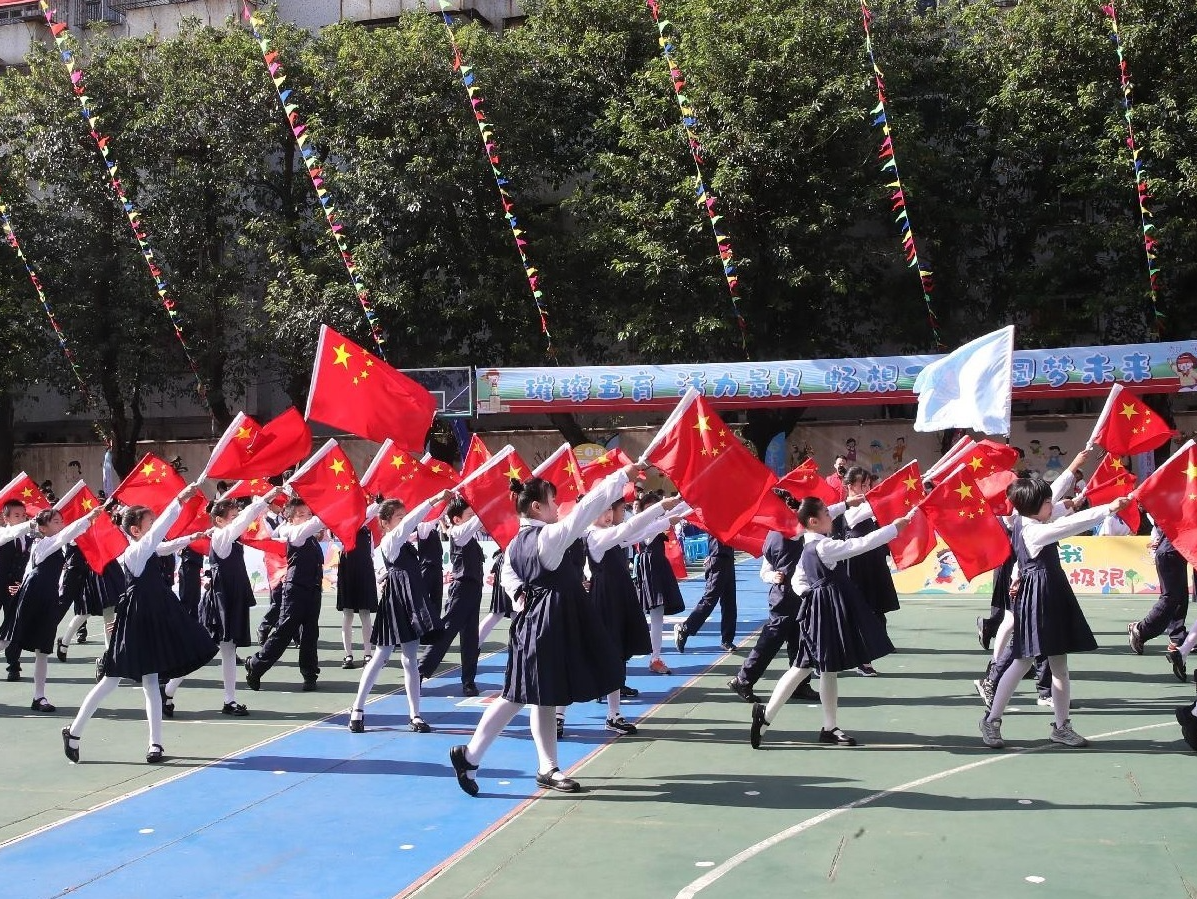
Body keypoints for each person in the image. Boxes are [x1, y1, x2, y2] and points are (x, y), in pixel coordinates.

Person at [449, 464, 636, 797]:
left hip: (539, 624)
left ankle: (546, 767)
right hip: (544, 627)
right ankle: (471, 755)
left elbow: (509, 579)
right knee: (516, 696)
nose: (558, 506)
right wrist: (621, 477)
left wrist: (523, 600)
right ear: (537, 507)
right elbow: (587, 509)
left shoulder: (514, 545)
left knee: (542, 695)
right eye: (553, 500)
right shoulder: (547, 537)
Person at [62, 486, 218, 764]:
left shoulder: (145, 550)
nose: (154, 525)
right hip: (136, 619)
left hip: (151, 616)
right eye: (149, 522)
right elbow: (158, 536)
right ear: (135, 531)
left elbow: (163, 545)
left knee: (150, 680)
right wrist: (179, 500)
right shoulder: (134, 553)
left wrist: (191, 537)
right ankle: (73, 732)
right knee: (111, 680)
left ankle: (155, 744)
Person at [978, 479, 1131, 749]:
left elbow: (1058, 516)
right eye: (1048, 502)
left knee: (1059, 665)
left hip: (1051, 594)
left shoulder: (1027, 521)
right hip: (1038, 598)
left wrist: (1075, 503)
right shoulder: (1034, 530)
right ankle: (991, 720)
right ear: (1033, 507)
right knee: (1022, 661)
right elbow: (1069, 525)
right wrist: (1108, 508)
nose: (1052, 505)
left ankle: (1061, 727)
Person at [750, 497, 912, 749]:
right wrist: (894, 528)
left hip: (821, 611)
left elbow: (798, 581)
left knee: (825, 669)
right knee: (803, 667)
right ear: (813, 521)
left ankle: (829, 726)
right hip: (823, 613)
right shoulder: (823, 546)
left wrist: (811, 594)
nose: (831, 516)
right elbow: (860, 544)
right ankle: (767, 716)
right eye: (826, 513)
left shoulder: (808, 546)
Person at [727, 491, 860, 704]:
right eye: (789, 506)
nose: (794, 510)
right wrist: (845, 504)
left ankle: (800, 685)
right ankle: (743, 679)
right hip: (784, 597)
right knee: (771, 639)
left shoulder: (777, 533)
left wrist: (845, 504)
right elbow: (766, 569)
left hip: (795, 595)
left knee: (799, 639)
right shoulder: (788, 532)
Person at [164, 492, 277, 717]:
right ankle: (167, 690)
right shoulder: (222, 537)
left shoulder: (227, 537)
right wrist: (263, 501)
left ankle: (229, 700)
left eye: (236, 515)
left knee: (228, 650)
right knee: (202, 650)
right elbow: (244, 521)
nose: (237, 520)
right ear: (219, 520)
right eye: (232, 516)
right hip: (220, 602)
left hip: (230, 599)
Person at [348, 490, 450, 734]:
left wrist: (445, 502)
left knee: (410, 659)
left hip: (409, 602)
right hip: (395, 603)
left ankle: (415, 714)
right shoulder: (390, 541)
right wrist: (432, 499)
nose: (403, 520)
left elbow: (425, 522)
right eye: (398, 517)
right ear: (385, 523)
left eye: (404, 515)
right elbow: (411, 522)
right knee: (381, 656)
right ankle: (357, 709)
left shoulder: (403, 542)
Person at [588, 495, 686, 734]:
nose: (608, 515)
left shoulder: (610, 535)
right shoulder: (595, 536)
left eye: (610, 510)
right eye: (603, 510)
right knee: (582, 656)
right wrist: (660, 508)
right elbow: (630, 528)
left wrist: (674, 515)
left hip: (617, 598)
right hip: (601, 601)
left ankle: (613, 714)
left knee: (616, 654)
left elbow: (639, 532)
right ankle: (559, 715)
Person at [1, 506, 102, 711]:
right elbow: (67, 534)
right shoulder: (45, 543)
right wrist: (88, 516)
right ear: (43, 528)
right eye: (56, 521)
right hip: (32, 595)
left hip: (48, 598)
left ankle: (39, 697)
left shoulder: (54, 543)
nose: (61, 524)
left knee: (43, 649)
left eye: (61, 521)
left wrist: (89, 521)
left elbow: (71, 536)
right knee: (7, 639)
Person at [245, 496, 325, 692]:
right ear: (291, 518)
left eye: (308, 513)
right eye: (301, 514)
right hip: (295, 589)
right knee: (284, 632)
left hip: (313, 589)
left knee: (310, 634)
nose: (306, 517)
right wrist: (330, 506)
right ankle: (256, 665)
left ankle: (309, 674)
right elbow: (319, 521)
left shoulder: (306, 535)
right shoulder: (295, 533)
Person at [419, 496, 485, 696]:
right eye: (469, 515)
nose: (473, 517)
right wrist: (491, 501)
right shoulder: (458, 532)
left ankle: (468, 681)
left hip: (474, 589)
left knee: (471, 637)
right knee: (446, 632)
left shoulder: (468, 535)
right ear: (457, 519)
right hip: (461, 589)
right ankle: (419, 672)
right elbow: (480, 518)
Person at [839, 466, 900, 675]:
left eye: (867, 485)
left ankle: (867, 654)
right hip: (856, 566)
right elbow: (876, 507)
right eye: (862, 485)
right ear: (849, 486)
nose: (867, 489)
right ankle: (861, 660)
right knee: (858, 612)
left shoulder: (867, 506)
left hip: (873, 563)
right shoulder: (849, 510)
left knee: (877, 611)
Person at [1128, 520, 1190, 676]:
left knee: (1180, 597)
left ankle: (1177, 637)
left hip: (1177, 550)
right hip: (1170, 552)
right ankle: (1141, 630)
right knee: (1170, 598)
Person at [634, 491, 684, 675]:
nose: (654, 513)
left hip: (659, 570)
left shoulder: (659, 522)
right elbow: (655, 528)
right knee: (638, 615)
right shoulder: (641, 526)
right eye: (650, 509)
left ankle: (655, 657)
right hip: (647, 572)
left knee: (657, 616)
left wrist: (683, 498)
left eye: (657, 508)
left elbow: (679, 511)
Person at [674, 532, 737, 654]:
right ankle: (685, 628)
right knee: (709, 600)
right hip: (717, 559)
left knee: (730, 602)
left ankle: (727, 639)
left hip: (728, 558)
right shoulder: (714, 521)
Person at [336, 509, 379, 670]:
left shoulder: (368, 530)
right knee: (347, 613)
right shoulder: (344, 524)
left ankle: (368, 653)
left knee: (365, 613)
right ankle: (348, 654)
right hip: (347, 569)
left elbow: (371, 552)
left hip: (364, 570)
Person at [1, 499, 33, 681]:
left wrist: (21, 582)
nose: (21, 518)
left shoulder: (28, 539)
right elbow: (11, 534)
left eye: (23, 515)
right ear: (6, 518)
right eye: (16, 515)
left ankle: (13, 665)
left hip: (15, 587)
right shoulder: (2, 533)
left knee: (14, 625)